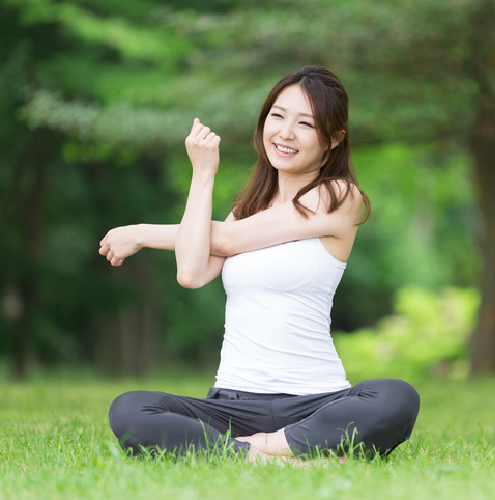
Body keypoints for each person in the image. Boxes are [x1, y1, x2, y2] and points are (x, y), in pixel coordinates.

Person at [99, 66, 420, 463]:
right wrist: (203, 174)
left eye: (305, 123)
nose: (285, 132)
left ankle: (254, 451)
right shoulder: (245, 211)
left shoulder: (339, 196)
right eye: (278, 115)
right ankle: (292, 453)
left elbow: (228, 239)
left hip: (316, 401)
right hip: (233, 404)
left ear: (334, 139)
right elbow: (192, 271)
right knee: (130, 410)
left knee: (396, 398)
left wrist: (142, 232)